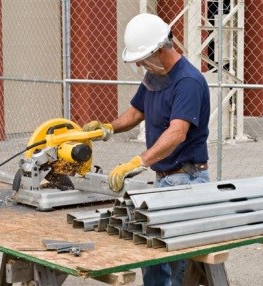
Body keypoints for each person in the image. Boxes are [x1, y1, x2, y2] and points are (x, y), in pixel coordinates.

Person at [83, 12, 211, 286]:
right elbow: (136, 112)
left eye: (142, 57)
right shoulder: (156, 76)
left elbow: (177, 133)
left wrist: (137, 162)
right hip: (165, 179)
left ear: (159, 50)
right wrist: (107, 129)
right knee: (150, 256)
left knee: (178, 264)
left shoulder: (187, 81)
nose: (140, 63)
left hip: (186, 180)